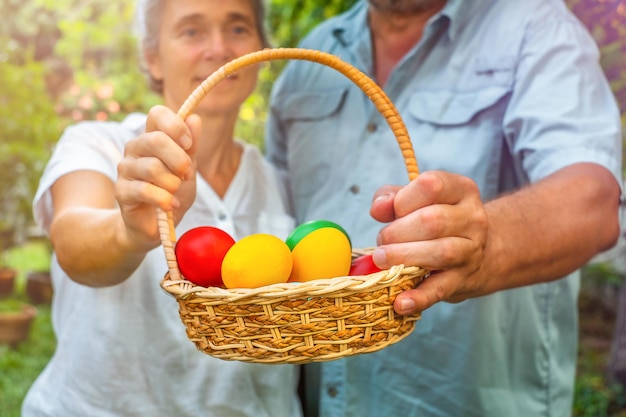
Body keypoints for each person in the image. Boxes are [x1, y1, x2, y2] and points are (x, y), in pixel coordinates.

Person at [265, 0, 623, 416]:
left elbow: (592, 203)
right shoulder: (315, 54)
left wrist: (483, 243)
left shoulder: (535, 28)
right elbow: (276, 221)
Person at [22, 1, 302, 416]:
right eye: (192, 31)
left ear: (260, 49)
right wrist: (129, 233)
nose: (219, 47)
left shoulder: (278, 181)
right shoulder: (98, 145)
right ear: (153, 58)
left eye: (238, 28)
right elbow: (73, 242)